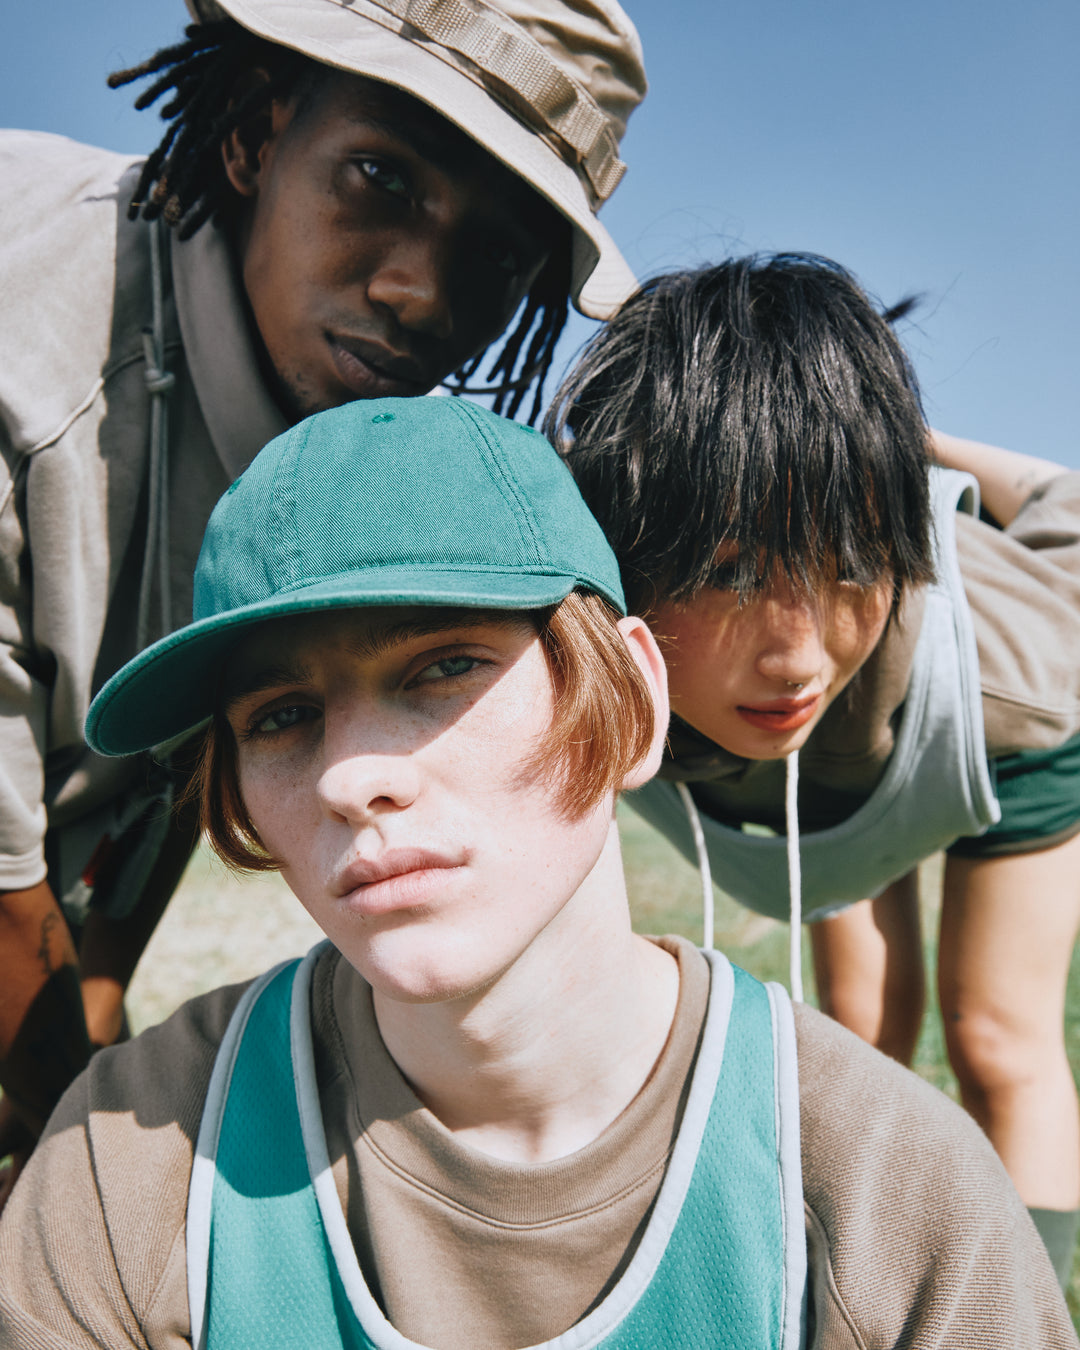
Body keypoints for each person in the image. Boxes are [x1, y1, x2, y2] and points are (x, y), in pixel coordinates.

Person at [0, 394, 1071, 1347]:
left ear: (632, 697)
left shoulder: (894, 1196)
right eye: (280, 717)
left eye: (444, 666)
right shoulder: (131, 1158)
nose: (351, 778)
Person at [0, 0, 647, 1201]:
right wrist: (83, 1166)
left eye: (498, 255)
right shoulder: (26, 348)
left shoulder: (318, 444)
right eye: (379, 179)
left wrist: (88, 1051)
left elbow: (159, 790)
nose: (422, 293)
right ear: (254, 134)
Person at [547, 253, 1080, 1286]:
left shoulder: (1021, 670)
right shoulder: (570, 621)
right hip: (817, 762)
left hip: (974, 736)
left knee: (996, 1036)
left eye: (851, 563)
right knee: (858, 1034)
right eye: (731, 571)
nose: (795, 657)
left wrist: (894, 442)